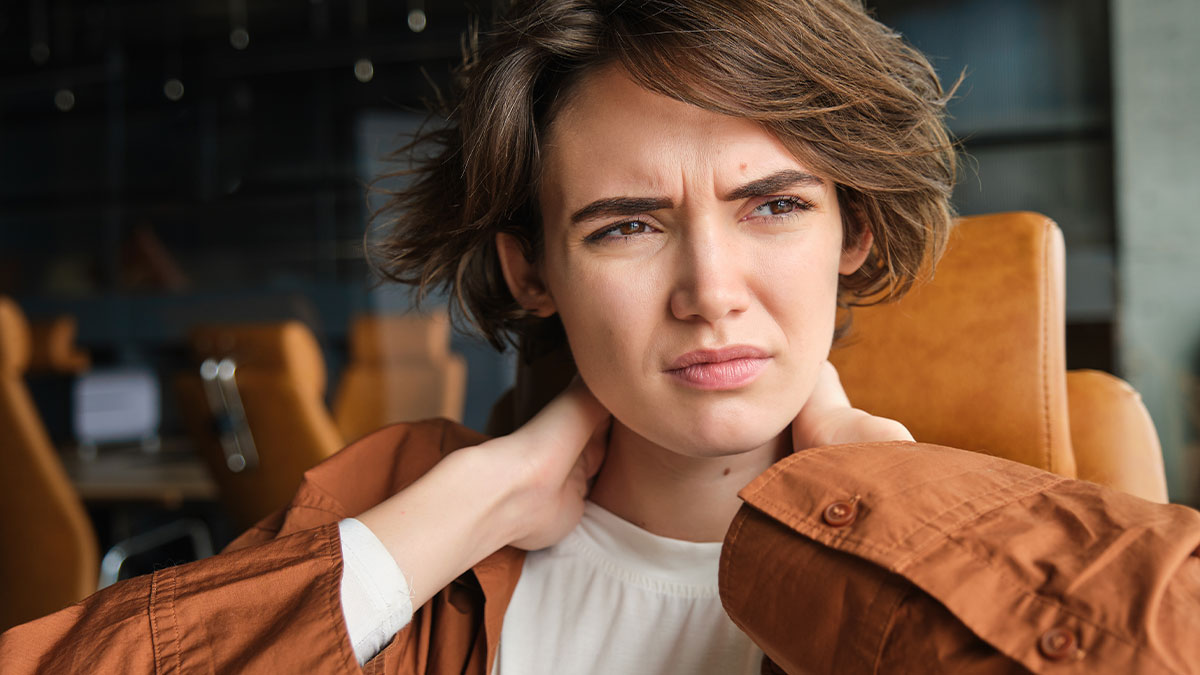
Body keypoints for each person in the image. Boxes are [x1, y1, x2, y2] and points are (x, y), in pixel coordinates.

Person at [3, 0, 1198, 673]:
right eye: (627, 225)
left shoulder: (1002, 528)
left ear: (856, 232)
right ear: (531, 270)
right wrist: (467, 508)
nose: (710, 291)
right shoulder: (419, 524)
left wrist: (879, 499)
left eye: (774, 206)